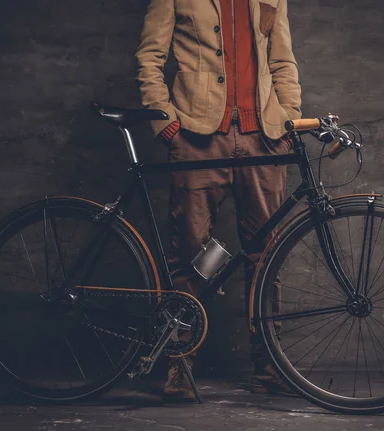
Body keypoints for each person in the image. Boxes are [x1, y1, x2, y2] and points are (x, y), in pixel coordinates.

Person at [135, 0, 302, 401]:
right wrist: (165, 122)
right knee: (191, 253)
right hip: (196, 137)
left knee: (266, 255)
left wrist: (288, 117)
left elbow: (282, 59)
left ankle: (269, 367)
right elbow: (150, 55)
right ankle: (179, 363)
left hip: (262, 137)